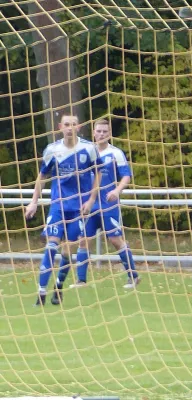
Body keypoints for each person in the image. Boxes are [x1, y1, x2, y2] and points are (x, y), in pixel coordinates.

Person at [25, 114, 102, 306]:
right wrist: (34, 201)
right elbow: (42, 176)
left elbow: (99, 172)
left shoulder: (88, 149)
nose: (69, 128)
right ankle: (41, 293)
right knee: (51, 246)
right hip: (58, 206)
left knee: (68, 250)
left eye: (73, 124)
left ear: (79, 127)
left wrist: (92, 199)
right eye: (66, 124)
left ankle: (58, 287)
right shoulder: (52, 150)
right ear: (60, 127)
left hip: (79, 208)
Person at [69, 118, 141, 290]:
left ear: (109, 134)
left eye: (104, 131)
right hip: (89, 205)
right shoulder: (85, 153)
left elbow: (126, 176)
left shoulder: (115, 153)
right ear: (93, 133)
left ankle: (133, 276)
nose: (101, 134)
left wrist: (117, 191)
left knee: (115, 240)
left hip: (108, 205)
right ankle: (81, 280)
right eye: (98, 131)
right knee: (83, 240)